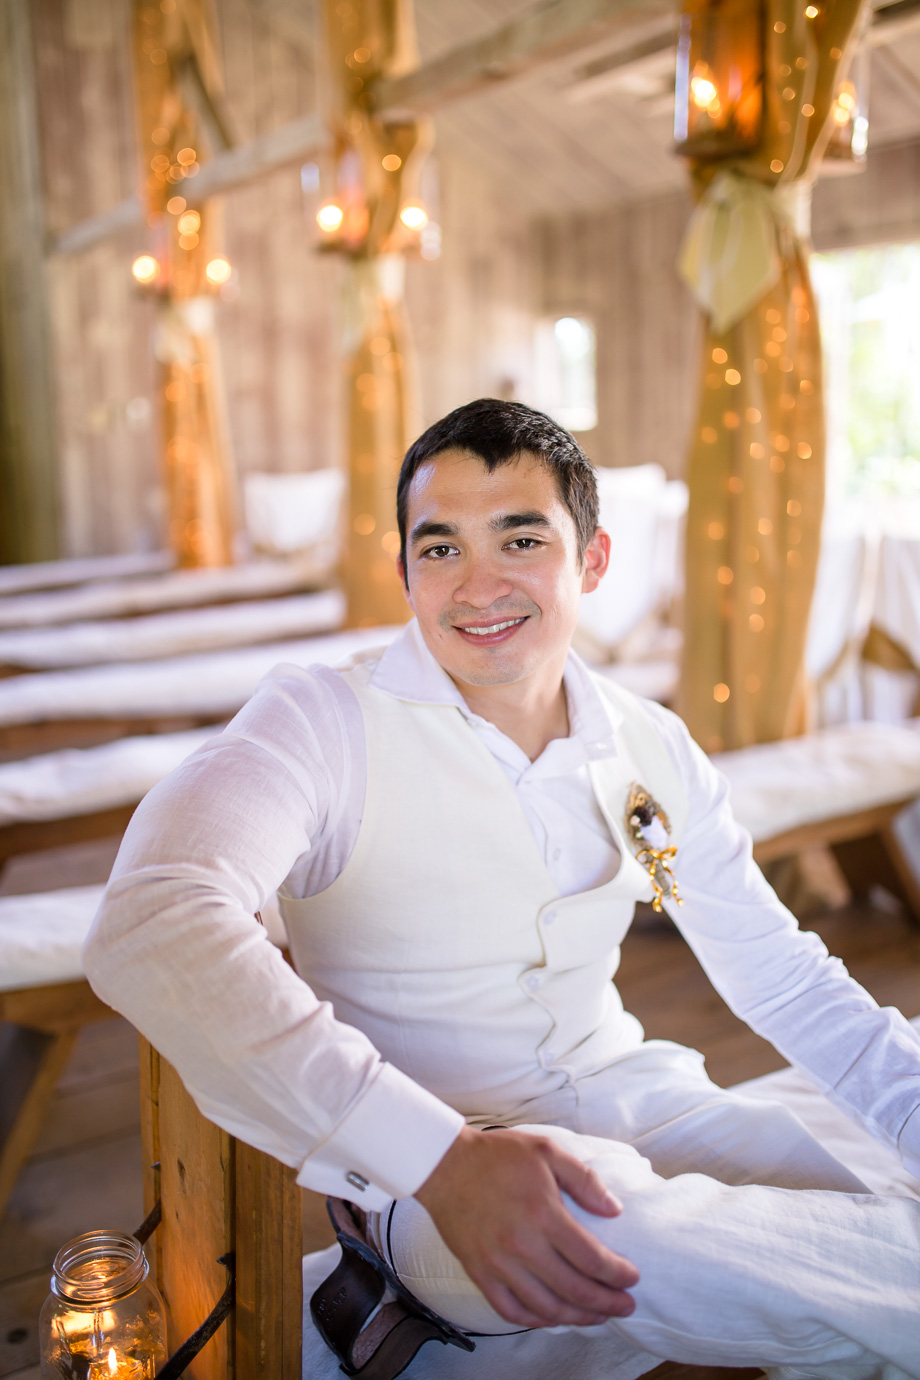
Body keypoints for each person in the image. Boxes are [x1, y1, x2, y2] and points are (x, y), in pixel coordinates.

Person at [84, 399, 920, 1379]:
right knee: (624, 1232)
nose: (476, 584)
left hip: (642, 1094)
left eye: (519, 539)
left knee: (846, 1223)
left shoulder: (649, 746)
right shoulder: (320, 722)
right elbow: (153, 916)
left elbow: (775, 973)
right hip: (431, 1164)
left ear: (592, 561)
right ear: (403, 573)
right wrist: (433, 1157)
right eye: (438, 551)